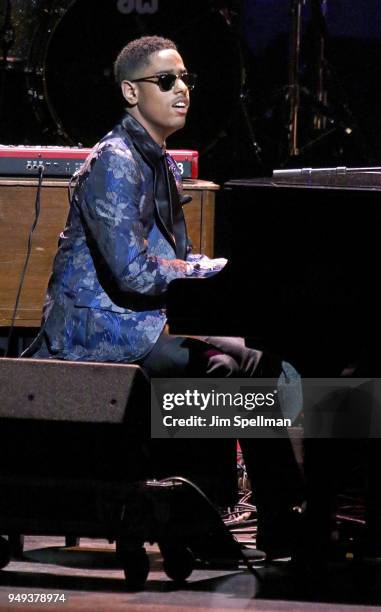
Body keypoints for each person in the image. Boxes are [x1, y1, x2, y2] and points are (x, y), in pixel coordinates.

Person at [23, 36, 303, 559]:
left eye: (185, 80)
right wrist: (210, 268)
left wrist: (206, 276)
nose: (182, 92)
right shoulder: (116, 160)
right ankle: (197, 520)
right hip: (99, 333)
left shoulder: (158, 161)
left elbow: (169, 264)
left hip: (143, 322)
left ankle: (278, 519)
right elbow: (131, 273)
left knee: (257, 357)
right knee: (219, 366)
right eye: (166, 81)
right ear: (131, 91)